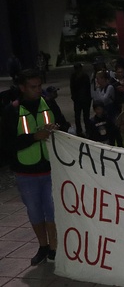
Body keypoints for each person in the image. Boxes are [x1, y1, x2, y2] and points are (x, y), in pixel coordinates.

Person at [0, 69, 59, 265]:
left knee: (51, 210)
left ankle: (54, 248)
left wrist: (58, 130)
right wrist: (34, 137)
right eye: (33, 87)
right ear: (23, 88)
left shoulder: (49, 104)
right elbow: (7, 144)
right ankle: (43, 246)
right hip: (26, 173)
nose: (38, 90)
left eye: (39, 86)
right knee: (34, 211)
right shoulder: (12, 111)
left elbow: (66, 127)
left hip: (50, 169)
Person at [70, 63, 91, 137]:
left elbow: (88, 88)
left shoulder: (84, 76)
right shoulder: (75, 76)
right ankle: (81, 130)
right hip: (79, 99)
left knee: (84, 116)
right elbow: (72, 88)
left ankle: (85, 130)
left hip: (83, 99)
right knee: (79, 116)